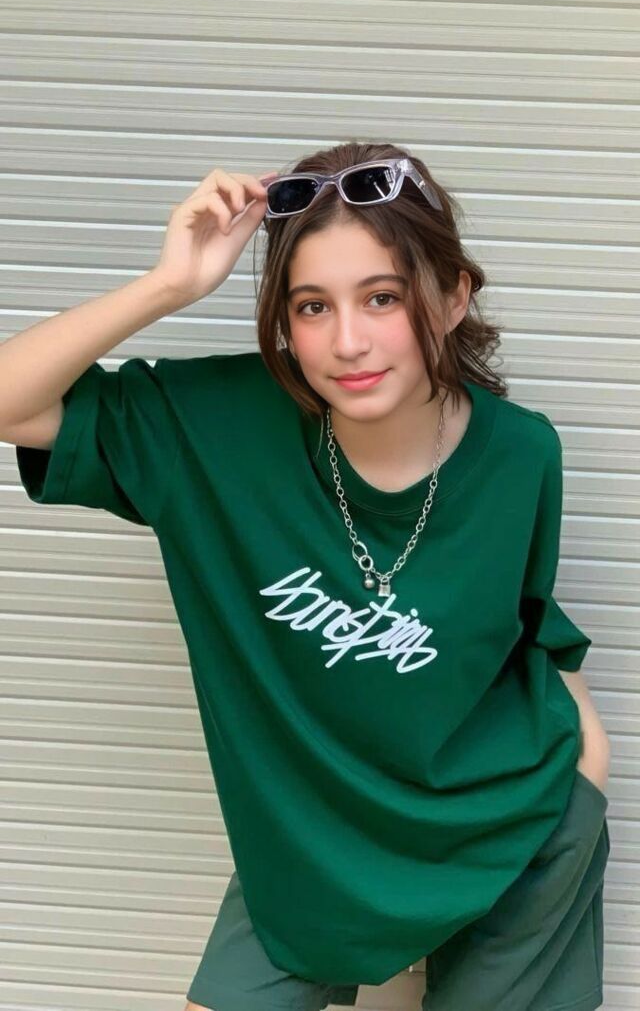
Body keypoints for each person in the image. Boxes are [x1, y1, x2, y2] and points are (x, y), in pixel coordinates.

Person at [1, 141, 611, 1011]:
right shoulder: (214, 430)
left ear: (451, 297)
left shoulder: (521, 452)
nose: (348, 342)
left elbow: (534, 626)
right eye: (313, 305)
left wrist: (589, 764)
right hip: (307, 854)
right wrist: (167, 286)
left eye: (383, 297)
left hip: (513, 831)